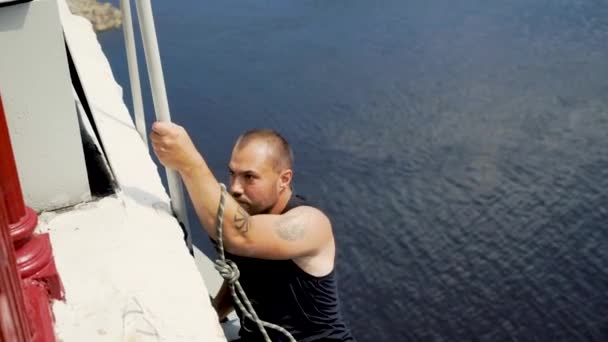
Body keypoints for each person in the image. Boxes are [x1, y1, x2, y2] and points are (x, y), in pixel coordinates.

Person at [150, 121, 355, 342]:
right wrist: (213, 312)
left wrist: (189, 164)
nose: (236, 188)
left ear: (284, 179)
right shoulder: (252, 211)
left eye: (249, 177)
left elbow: (241, 236)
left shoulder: (311, 224)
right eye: (232, 174)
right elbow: (244, 276)